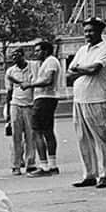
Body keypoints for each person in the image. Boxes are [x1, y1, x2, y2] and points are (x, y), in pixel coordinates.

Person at [66, 16, 106, 188]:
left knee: (102, 137)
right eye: (86, 30)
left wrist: (79, 69)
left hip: (97, 97)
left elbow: (95, 69)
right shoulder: (82, 50)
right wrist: (82, 70)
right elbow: (68, 74)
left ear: (100, 31)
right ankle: (90, 174)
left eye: (91, 30)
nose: (87, 34)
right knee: (83, 138)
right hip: (79, 98)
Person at [21, 41, 63, 176]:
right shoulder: (48, 62)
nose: (36, 53)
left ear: (45, 51)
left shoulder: (50, 62)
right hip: (48, 98)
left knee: (37, 132)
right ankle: (52, 164)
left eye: (38, 50)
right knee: (48, 131)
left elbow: (48, 80)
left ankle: (44, 166)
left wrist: (30, 84)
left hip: (44, 98)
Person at [4, 47, 37, 175]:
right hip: (15, 105)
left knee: (31, 136)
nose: (14, 58)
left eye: (17, 55)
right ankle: (15, 165)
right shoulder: (10, 71)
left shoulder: (33, 68)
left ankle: (31, 163)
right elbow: (9, 92)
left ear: (23, 55)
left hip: (29, 105)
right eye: (12, 56)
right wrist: (7, 113)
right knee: (15, 137)